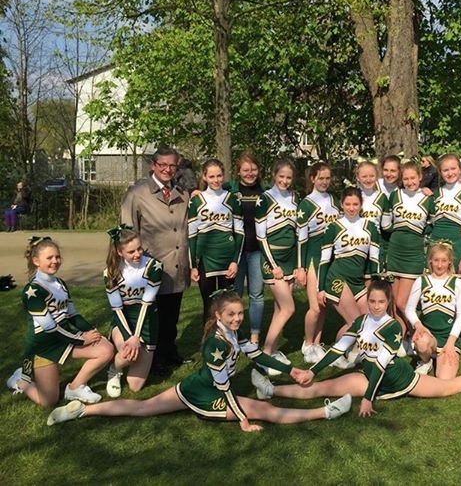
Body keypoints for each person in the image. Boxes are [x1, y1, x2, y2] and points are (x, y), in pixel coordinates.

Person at [46, 290, 351, 428]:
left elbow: (258, 354)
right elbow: (224, 388)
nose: (237, 318)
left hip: (193, 385)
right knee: (265, 410)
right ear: (218, 316)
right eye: (231, 315)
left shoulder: (232, 333)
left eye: (240, 313)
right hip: (207, 395)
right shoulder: (216, 346)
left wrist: (292, 368)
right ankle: (325, 412)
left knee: (143, 408)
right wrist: (242, 418)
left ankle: (81, 411)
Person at [250, 279, 461, 418]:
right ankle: (270, 390)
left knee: (447, 388)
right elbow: (337, 350)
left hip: (398, 378)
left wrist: (368, 399)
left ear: (388, 303)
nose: (375, 306)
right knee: (321, 387)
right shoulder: (360, 322)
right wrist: (312, 370)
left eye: (381, 302)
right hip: (367, 375)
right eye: (371, 301)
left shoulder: (392, 327)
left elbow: (383, 364)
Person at [6, 237, 114, 407]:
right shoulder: (32, 291)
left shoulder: (60, 283)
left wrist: (94, 332)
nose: (55, 261)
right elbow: (49, 328)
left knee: (106, 349)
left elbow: (73, 315)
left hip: (64, 337)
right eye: (49, 258)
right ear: (36, 261)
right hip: (44, 346)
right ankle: (20, 381)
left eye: (57, 257)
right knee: (49, 401)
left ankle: (75, 388)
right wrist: (81, 340)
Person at [121, 147, 190, 375]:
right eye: (163, 165)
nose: (167, 169)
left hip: (177, 264)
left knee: (172, 315)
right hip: (151, 266)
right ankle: (155, 358)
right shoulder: (138, 193)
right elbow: (127, 230)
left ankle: (169, 352)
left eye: (172, 165)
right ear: (153, 165)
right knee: (153, 316)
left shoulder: (182, 193)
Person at [317, 187, 380, 362]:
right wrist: (320, 289)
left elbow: (374, 260)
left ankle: (346, 351)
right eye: (348, 204)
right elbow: (324, 260)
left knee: (369, 321)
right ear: (342, 204)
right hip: (337, 279)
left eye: (355, 204)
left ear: (361, 204)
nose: (351, 208)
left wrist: (375, 286)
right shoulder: (333, 227)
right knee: (356, 322)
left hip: (357, 282)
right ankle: (340, 355)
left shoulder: (370, 227)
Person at [103, 226, 162, 397]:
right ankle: (114, 370)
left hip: (147, 319)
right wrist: (129, 337)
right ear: (119, 252)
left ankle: (129, 357)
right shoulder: (111, 272)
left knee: (135, 386)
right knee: (128, 354)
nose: (137, 254)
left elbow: (146, 304)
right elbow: (117, 309)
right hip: (124, 320)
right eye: (131, 251)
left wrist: (137, 337)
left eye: (139, 248)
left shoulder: (154, 266)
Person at [255, 159, 302, 373]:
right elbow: (260, 236)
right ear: (274, 175)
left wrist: (298, 265)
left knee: (279, 308)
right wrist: (273, 264)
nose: (284, 180)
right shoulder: (264, 199)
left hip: (290, 259)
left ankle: (272, 350)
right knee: (289, 308)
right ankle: (265, 355)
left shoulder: (295, 197)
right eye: (281, 176)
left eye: (288, 177)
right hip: (272, 260)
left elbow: (298, 233)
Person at [188, 159, 244, 320]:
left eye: (219, 176)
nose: (216, 180)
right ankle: (209, 335)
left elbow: (240, 232)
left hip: (227, 258)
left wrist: (235, 261)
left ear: (223, 175)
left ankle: (230, 335)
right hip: (205, 260)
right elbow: (192, 235)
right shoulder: (196, 201)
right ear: (204, 177)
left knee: (229, 304)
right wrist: (193, 266)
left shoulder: (232, 199)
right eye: (211, 176)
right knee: (209, 304)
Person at [382, 162, 435, 330]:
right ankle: (401, 337)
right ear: (401, 179)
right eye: (406, 179)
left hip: (413, 253)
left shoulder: (428, 198)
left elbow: (433, 224)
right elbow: (385, 224)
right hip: (395, 251)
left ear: (420, 177)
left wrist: (417, 233)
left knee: (402, 302)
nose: (410, 182)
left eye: (413, 178)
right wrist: (399, 231)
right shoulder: (395, 195)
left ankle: (419, 332)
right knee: (393, 302)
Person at [297, 162, 340, 363]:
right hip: (314, 257)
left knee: (323, 305)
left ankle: (317, 343)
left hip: (330, 257)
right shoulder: (305, 204)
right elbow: (301, 239)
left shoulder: (334, 200)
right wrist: (301, 267)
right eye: (320, 178)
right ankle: (307, 343)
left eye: (327, 178)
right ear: (312, 178)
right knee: (314, 307)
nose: (324, 182)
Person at [405, 242, 461, 378]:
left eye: (444, 261)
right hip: (428, 335)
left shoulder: (457, 283)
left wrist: (450, 343)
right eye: (436, 260)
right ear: (430, 261)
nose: (439, 265)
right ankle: (426, 360)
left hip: (447, 337)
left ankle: (440, 355)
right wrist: (418, 325)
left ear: (450, 262)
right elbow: (409, 309)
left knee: (444, 379)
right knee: (421, 342)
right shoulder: (421, 281)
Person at [225, 153, 265, 344]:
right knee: (235, 295)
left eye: (254, 169)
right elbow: (211, 191)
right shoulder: (230, 190)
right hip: (237, 252)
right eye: (246, 170)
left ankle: (255, 335)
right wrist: (197, 192)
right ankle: (233, 333)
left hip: (257, 251)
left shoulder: (265, 192)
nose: (250, 173)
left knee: (256, 295)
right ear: (239, 172)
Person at [430, 153, 461, 274]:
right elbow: (430, 223)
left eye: (453, 168)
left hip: (457, 247)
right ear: (440, 172)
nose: (450, 173)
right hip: (435, 245)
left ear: (460, 169)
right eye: (445, 170)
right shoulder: (435, 193)